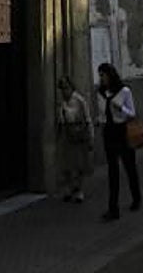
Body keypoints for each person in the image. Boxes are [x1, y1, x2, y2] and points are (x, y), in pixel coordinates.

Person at [96, 62, 141, 220]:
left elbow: (132, 113)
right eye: (100, 75)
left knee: (129, 166)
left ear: (110, 75)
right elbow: (101, 113)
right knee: (112, 171)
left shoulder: (124, 91)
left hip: (123, 131)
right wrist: (99, 121)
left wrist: (121, 109)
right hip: (109, 133)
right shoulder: (100, 93)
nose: (101, 78)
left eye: (103, 75)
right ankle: (113, 208)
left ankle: (136, 198)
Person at [56, 75, 93, 203]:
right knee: (66, 165)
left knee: (78, 164)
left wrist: (90, 137)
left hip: (78, 133)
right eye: (62, 88)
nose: (64, 91)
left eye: (66, 88)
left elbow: (88, 119)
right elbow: (60, 119)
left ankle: (79, 191)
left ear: (71, 87)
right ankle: (68, 189)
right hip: (66, 134)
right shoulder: (62, 102)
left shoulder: (79, 100)